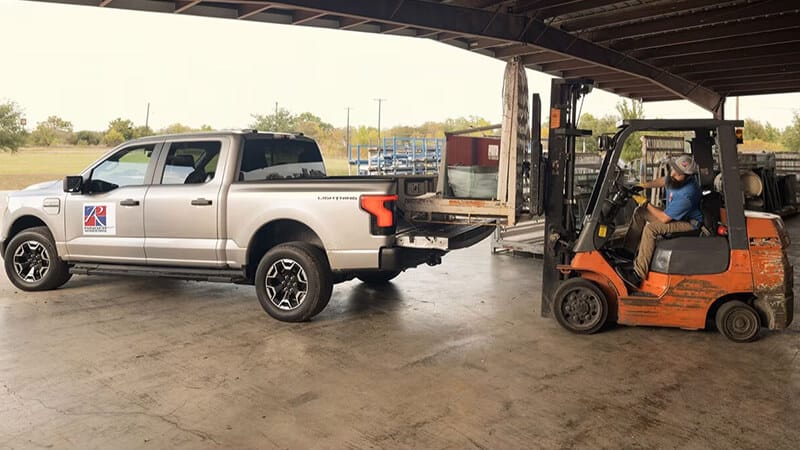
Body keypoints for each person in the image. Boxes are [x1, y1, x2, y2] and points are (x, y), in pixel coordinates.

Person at [619, 155, 703, 288]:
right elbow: (664, 180)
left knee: (651, 229)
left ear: (688, 176)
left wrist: (645, 202)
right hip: (673, 215)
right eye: (673, 170)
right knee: (640, 213)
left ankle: (637, 275)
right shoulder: (676, 178)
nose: (673, 174)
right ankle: (627, 253)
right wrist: (642, 186)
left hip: (688, 223)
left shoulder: (688, 194)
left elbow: (664, 218)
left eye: (678, 173)